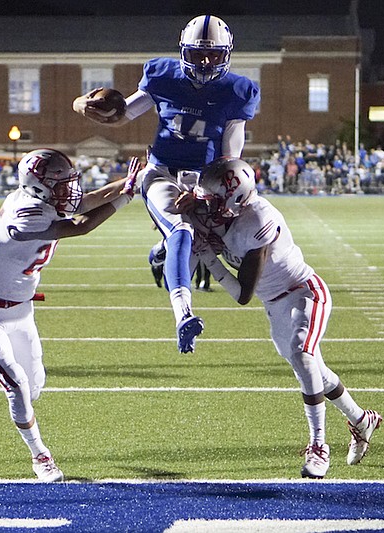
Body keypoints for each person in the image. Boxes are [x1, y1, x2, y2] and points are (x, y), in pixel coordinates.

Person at [0, 149, 140, 482]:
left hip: (22, 311)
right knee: (18, 387)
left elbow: (89, 199)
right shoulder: (27, 214)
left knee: (35, 387)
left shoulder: (41, 199)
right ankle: (41, 456)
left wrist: (133, 180)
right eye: (60, 185)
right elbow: (81, 225)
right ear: (39, 186)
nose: (68, 191)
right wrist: (128, 196)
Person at [72, 15, 260, 353]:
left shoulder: (237, 91)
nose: (205, 62)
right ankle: (183, 314)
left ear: (227, 54)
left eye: (213, 55)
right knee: (182, 232)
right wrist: (81, 104)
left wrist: (208, 192)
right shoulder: (162, 75)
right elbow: (121, 114)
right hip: (161, 173)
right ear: (182, 51)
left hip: (206, 180)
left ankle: (160, 254)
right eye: (198, 54)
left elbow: (230, 155)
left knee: (218, 242)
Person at [188, 157, 382, 479]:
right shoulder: (221, 210)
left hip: (303, 292)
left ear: (234, 200)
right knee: (315, 372)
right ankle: (362, 420)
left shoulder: (257, 220)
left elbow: (242, 294)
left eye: (214, 201)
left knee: (302, 354)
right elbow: (187, 214)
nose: (207, 206)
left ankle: (319, 445)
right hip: (274, 305)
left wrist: (209, 257)